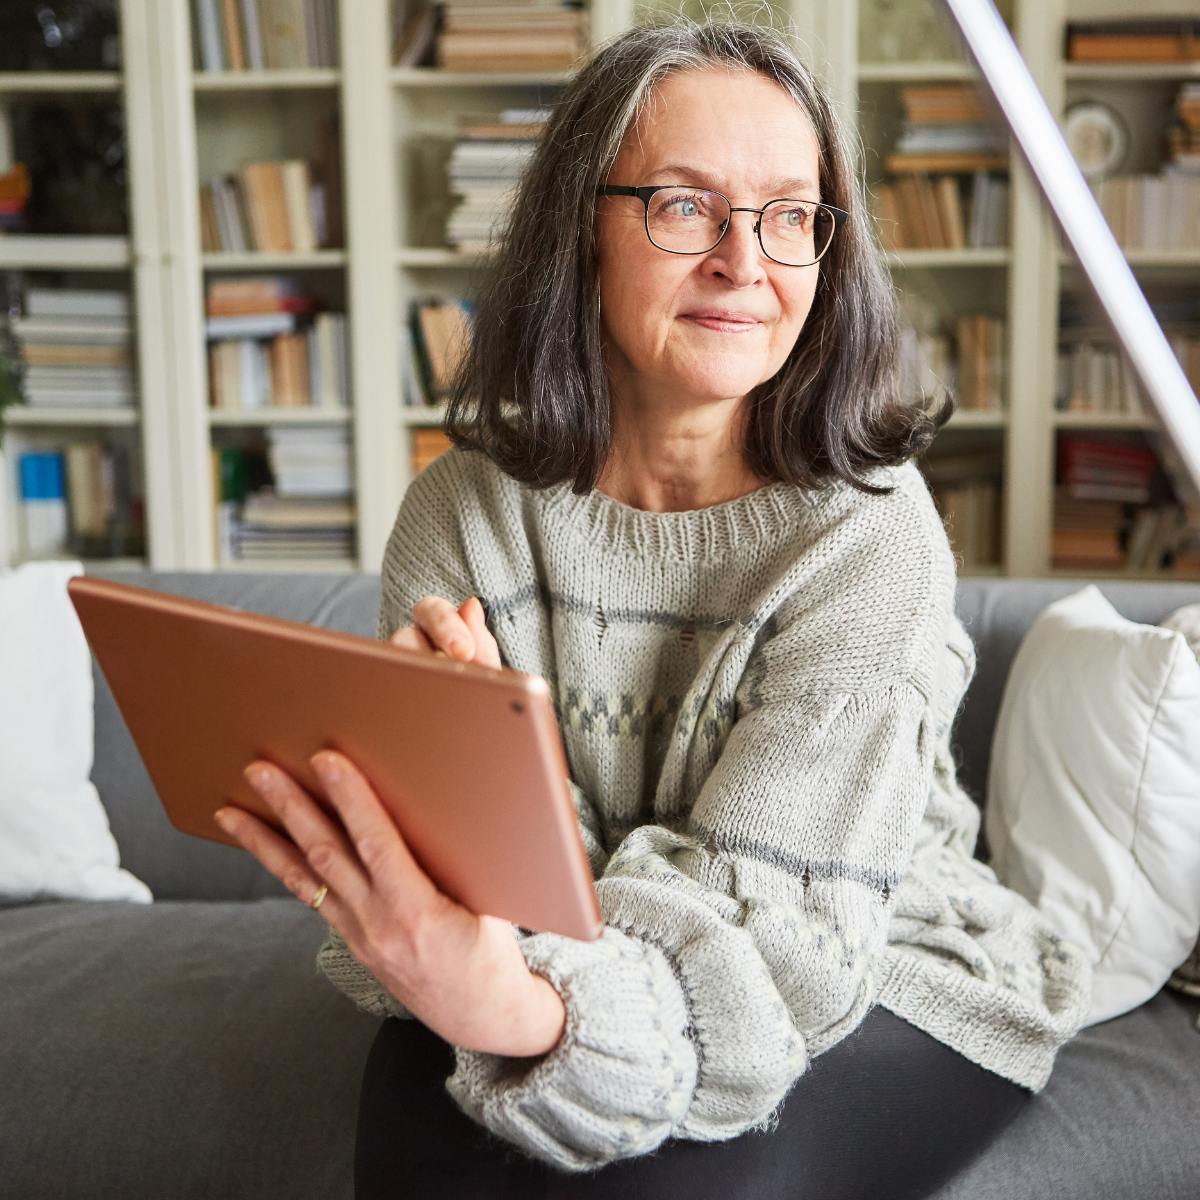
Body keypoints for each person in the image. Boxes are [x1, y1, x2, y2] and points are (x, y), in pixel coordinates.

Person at [220, 15, 1095, 1199]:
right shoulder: (465, 514)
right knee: (420, 1136)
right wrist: (495, 901)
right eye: (686, 205)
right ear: (580, 230)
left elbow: (769, 946)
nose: (748, 261)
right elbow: (454, 895)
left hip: (871, 952)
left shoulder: (871, 532)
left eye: (793, 215)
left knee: (665, 1184)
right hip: (599, 947)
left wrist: (510, 966)